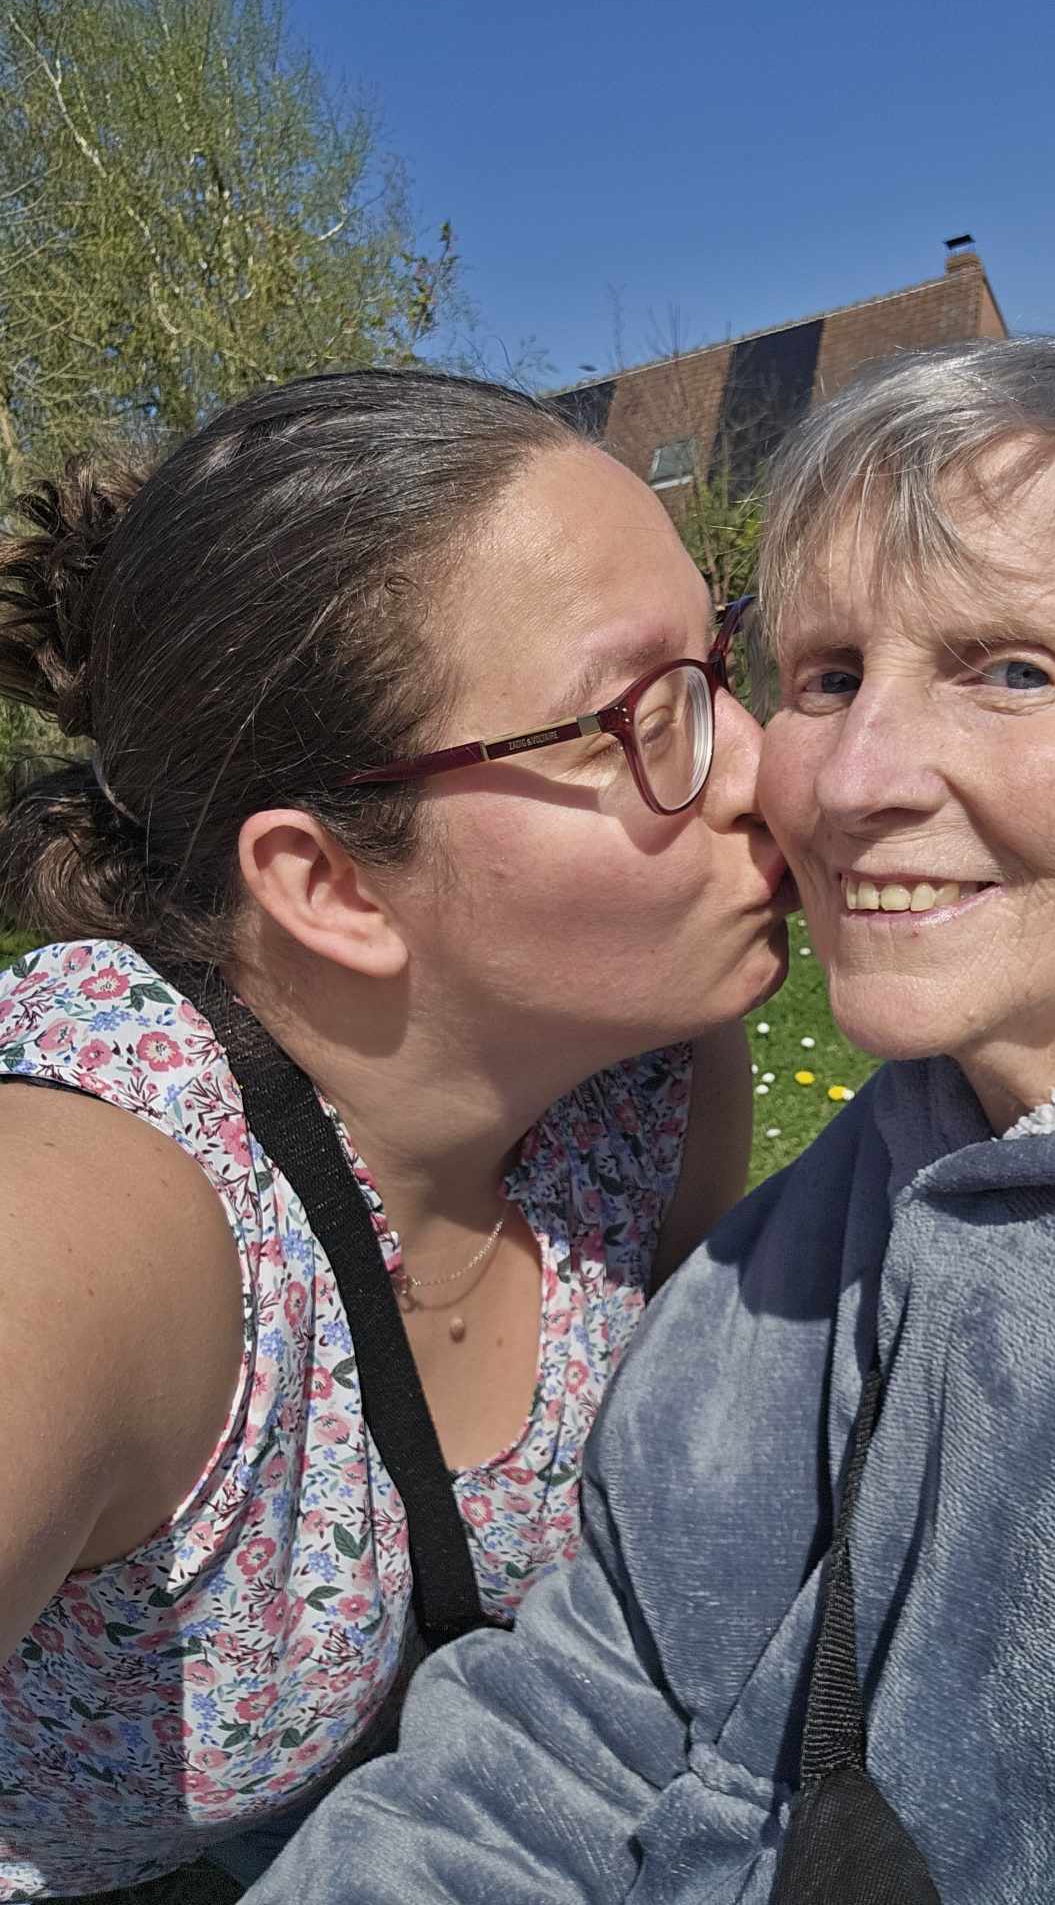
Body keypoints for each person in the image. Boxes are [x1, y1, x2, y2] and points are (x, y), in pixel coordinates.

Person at [241, 337, 1055, 1905]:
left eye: (1011, 669)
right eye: (826, 677)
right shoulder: (795, 1249)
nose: (849, 780)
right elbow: (565, 1732)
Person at [0, 367, 795, 1897]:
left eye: (722, 660)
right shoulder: (93, 1209)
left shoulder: (656, 1089)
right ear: (332, 887)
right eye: (644, 717)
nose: (764, 764)